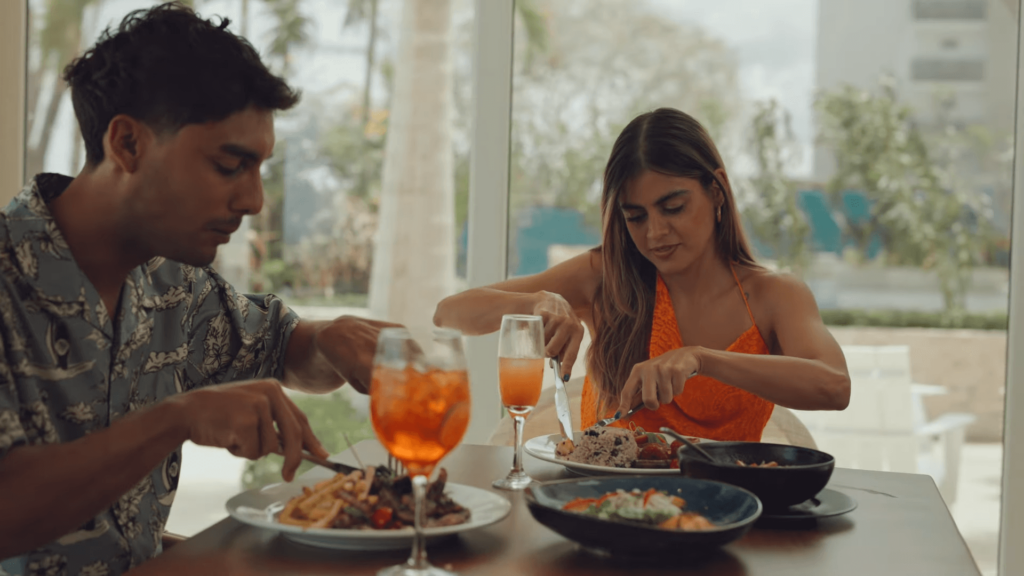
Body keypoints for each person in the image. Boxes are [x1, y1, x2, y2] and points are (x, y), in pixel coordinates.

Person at [0, 3, 398, 574]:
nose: (254, 201)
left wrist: (333, 339)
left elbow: (288, 351)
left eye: (260, 167)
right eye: (230, 164)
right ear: (128, 145)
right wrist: (177, 418)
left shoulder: (175, 288)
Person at [435, 107, 850, 442]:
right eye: (635, 217)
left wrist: (701, 360)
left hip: (725, 524)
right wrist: (532, 304)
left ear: (717, 191)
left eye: (673, 208)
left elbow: (834, 387)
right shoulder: (604, 276)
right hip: (605, 514)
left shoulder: (774, 295)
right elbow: (449, 313)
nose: (654, 233)